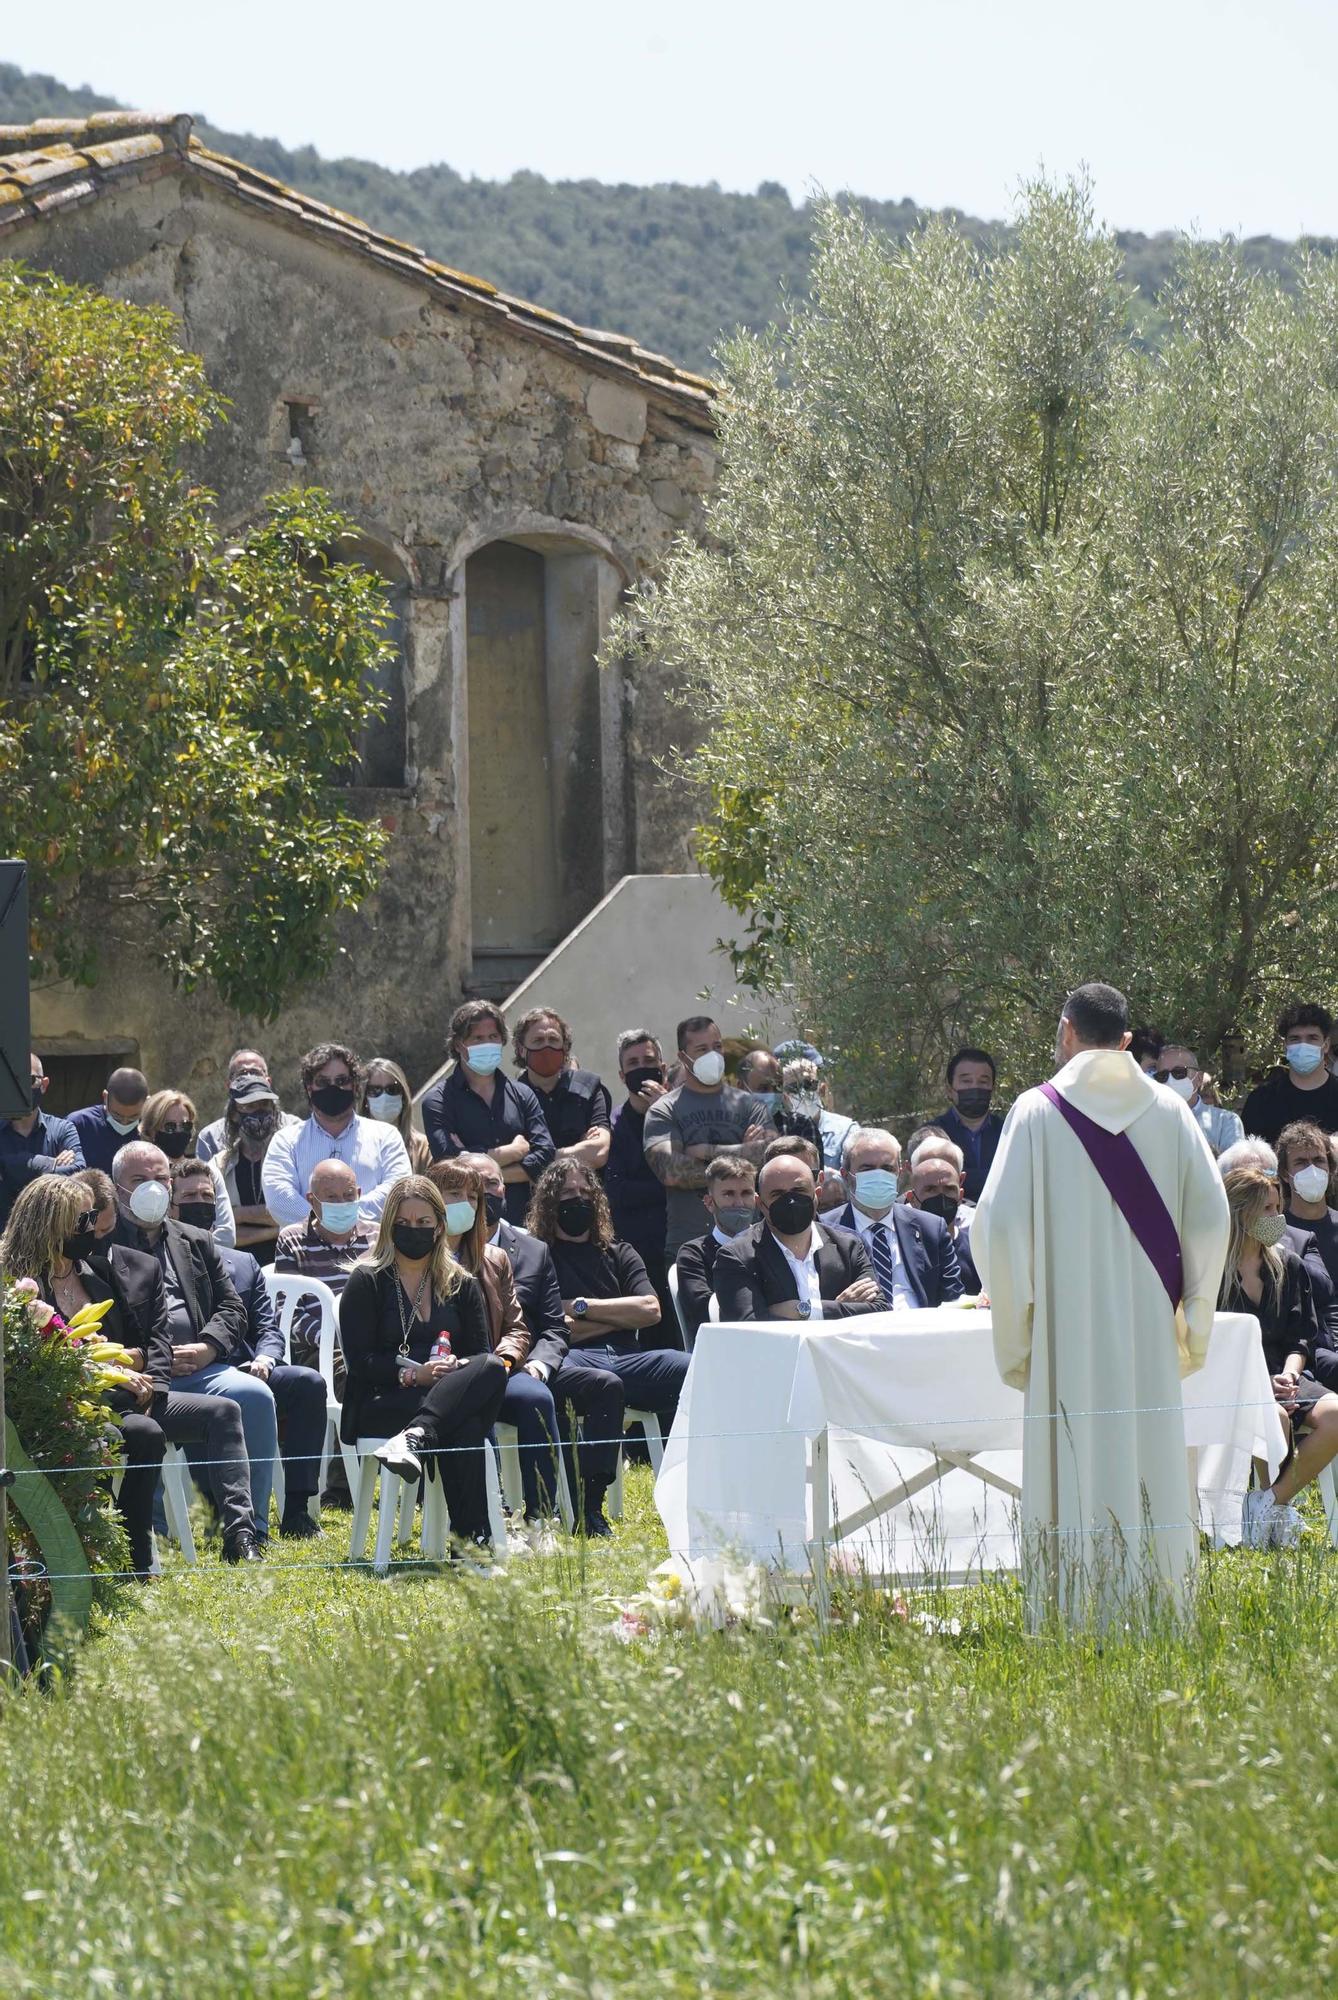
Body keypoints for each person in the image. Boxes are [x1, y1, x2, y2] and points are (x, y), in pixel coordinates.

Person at [973, 981, 1230, 1631]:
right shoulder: (1171, 1113)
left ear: (1065, 1032)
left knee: (1070, 1464)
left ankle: (1071, 1617)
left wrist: (1021, 1318)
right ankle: (1159, 1613)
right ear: (1123, 1042)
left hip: (1066, 1335)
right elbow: (1210, 1218)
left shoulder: (1035, 1111)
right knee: (1150, 1457)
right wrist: (1191, 1317)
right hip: (1147, 1331)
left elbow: (998, 1227)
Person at [3, 1174, 260, 1566]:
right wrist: (110, 1363)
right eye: (82, 1219)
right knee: (139, 1433)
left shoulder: (97, 1275)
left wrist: (126, 1369)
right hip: (59, 1408)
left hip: (120, 1397)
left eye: (92, 1218)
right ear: (50, 1224)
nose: (91, 1229)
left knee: (221, 1411)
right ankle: (126, 1549)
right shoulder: (19, 1285)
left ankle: (240, 1534)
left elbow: (140, 1347)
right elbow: (37, 1359)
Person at [111, 1140, 280, 1541]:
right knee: (141, 1418)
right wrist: (152, 1359)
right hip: (138, 1374)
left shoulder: (195, 1240)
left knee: (255, 1395)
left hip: (200, 1368)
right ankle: (150, 1531)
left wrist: (208, 1348)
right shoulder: (104, 1244)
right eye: (139, 1180)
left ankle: (248, 1527)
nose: (152, 1187)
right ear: (117, 1187)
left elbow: (232, 1309)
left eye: (160, 1179)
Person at [337, 1175, 509, 1558]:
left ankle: (417, 1435)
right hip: (384, 1398)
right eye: (404, 1223)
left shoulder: (462, 1283)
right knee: (462, 1425)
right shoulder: (367, 1281)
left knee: (493, 1367)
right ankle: (472, 1548)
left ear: (439, 1227)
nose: (413, 1231)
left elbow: (480, 1354)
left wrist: (450, 1367)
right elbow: (361, 1363)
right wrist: (413, 1374)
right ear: (388, 1227)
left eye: (423, 1223)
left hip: (440, 1395)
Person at [468, 1150, 625, 1535]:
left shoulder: (533, 1251)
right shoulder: (439, 1251)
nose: (485, 1193)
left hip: (528, 1369)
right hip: (467, 1370)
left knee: (605, 1385)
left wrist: (539, 1364)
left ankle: (585, 1506)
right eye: (473, 1186)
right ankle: (497, 1510)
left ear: (504, 1189)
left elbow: (555, 1328)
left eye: (491, 1183)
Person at [169, 1158, 326, 1539]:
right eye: (190, 1196)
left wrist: (266, 1357)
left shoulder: (243, 1263)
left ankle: (297, 1510)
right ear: (171, 1204)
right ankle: (219, 1512)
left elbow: (267, 1326)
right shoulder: (161, 1261)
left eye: (207, 1195)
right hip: (194, 1377)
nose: (200, 1203)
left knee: (309, 1383)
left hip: (248, 1368)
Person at [428, 1156, 569, 1543]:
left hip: (496, 1371)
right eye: (454, 1194)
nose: (468, 1203)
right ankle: (496, 1513)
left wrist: (504, 1361)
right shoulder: (416, 1260)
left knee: (537, 1398)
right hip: (437, 1378)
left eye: (473, 1196)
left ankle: (542, 1519)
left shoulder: (496, 1259)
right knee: (473, 1407)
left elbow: (517, 1327)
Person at [527, 1158, 688, 1446]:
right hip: (573, 1360)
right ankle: (590, 1487)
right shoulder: (539, 1257)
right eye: (567, 1194)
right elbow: (554, 1330)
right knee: (588, 1381)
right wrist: (619, 1317)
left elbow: (651, 1310)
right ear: (550, 1202)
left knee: (695, 1367)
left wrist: (580, 1307)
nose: (578, 1200)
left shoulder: (621, 1253)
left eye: (585, 1193)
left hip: (629, 1359)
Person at [1220, 1165, 1338, 1547]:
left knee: (1336, 1414)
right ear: (1240, 1212)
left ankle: (1269, 1503)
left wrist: (1289, 1374)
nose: (1277, 1217)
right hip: (1234, 1381)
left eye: (1277, 1206)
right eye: (1267, 1209)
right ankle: (1270, 1518)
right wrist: (1259, 1381)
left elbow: (1301, 1337)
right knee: (1274, 1419)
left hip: (1284, 1376)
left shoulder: (1288, 1264)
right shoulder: (1212, 1274)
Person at [642, 1015, 772, 1256]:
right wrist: (742, 1155)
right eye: (702, 1049)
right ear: (683, 1057)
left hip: (753, 1246)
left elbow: (769, 1156)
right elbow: (671, 1171)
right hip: (691, 1249)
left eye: (717, 1046)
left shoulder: (749, 1105)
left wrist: (705, 1151)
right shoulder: (664, 1110)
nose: (713, 1055)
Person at [421, 1003, 555, 1225]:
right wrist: (515, 1151)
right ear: (458, 1044)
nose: (487, 1044)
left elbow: (545, 1155)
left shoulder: (523, 1094)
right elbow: (448, 1163)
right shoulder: (437, 1101)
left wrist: (477, 1165)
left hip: (522, 1222)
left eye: (493, 1036)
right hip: (465, 1226)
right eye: (477, 1038)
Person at [714, 1153, 885, 1321]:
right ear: (760, 1203)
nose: (790, 1201)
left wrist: (806, 1310)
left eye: (799, 1190)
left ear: (816, 1194)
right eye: (778, 1195)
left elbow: (880, 1309)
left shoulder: (848, 1246)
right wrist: (839, 1309)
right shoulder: (737, 1256)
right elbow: (749, 1324)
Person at [262, 1043, 412, 1231]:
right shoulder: (286, 1141)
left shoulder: (386, 1136)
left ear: (355, 1086)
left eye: (341, 1081)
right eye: (323, 1082)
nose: (333, 1088)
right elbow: (278, 1198)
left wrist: (346, 1219)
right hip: (307, 1252)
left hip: (374, 1252)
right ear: (309, 1088)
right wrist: (321, 1224)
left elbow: (398, 1188)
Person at [825, 1127, 963, 1308]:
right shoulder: (824, 1230)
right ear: (845, 1175)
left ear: (899, 1172)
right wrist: (838, 1306)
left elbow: (954, 1299)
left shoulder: (931, 1228)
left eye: (887, 1168)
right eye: (867, 1169)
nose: (878, 1175)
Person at [605, 1030, 670, 1310]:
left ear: (663, 1069)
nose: (642, 1068)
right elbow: (615, 1189)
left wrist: (664, 1113)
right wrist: (668, 1185)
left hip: (678, 1238)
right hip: (635, 1245)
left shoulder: (682, 1115)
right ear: (622, 1075)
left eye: (648, 1060)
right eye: (632, 1064)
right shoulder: (613, 1124)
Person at [511, 1008, 612, 1170]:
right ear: (521, 1050)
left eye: (553, 1039)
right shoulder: (510, 1097)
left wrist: (533, 1160)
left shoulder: (589, 1087)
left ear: (565, 1048)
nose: (546, 1046)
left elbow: (598, 1153)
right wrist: (579, 1150)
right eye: (538, 1040)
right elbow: (507, 1158)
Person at [674, 1155, 757, 1344]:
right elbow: (703, 1310)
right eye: (728, 1194)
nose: (739, 1203)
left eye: (746, 1193)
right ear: (710, 1202)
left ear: (756, 1198)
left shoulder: (770, 1244)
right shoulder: (694, 1254)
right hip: (722, 1347)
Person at [138, 1090, 237, 1246]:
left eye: (185, 1126)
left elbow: (226, 1236)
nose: (179, 1132)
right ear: (151, 1131)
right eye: (169, 1127)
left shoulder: (208, 1173)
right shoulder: (141, 1177)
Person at [0, 1050, 84, 1230]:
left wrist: (9, 1169)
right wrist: (51, 1165)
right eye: (13, 1081)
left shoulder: (63, 1129)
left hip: (50, 1237)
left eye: (29, 1081)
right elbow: (65, 1177)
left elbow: (77, 1174)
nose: (20, 1088)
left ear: (44, 1084)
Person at [1239, 1003, 1338, 1146]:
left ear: (1326, 1044)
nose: (1303, 1045)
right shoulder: (1261, 1099)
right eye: (1295, 1039)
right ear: (1285, 1047)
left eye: (1312, 1038)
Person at [214, 1076, 288, 1263]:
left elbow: (295, 1213)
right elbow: (222, 1230)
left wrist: (237, 1213)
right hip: (238, 1266)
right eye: (250, 1106)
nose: (259, 1112)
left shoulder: (288, 1158)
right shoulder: (220, 1164)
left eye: (265, 1104)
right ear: (234, 1113)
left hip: (286, 1261)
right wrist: (278, 1229)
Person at [903, 1136, 980, 1293]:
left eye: (949, 1189)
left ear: (960, 1195)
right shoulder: (900, 1248)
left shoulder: (977, 1246)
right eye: (930, 1189)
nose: (941, 1196)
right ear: (912, 1198)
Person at [197, 1050, 299, 1161]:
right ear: (229, 1085)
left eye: (255, 1073)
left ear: (268, 1081)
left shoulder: (293, 1128)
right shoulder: (211, 1137)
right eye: (242, 1074)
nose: (249, 1078)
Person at [937, 1048, 1004, 1204]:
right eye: (966, 1081)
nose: (975, 1087)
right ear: (949, 1089)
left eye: (983, 1081)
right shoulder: (933, 1134)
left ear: (992, 1088)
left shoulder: (1010, 1131)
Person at [1153, 1043, 1244, 1157]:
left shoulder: (1226, 1122)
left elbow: (1233, 1172)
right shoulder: (1147, 1122)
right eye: (1162, 1075)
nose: (1170, 1079)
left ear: (1199, 1078)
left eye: (1179, 1072)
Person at [1279, 1120, 1338, 1292]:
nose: (1311, 1169)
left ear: (1331, 1168)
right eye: (1301, 1162)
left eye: (1319, 1160)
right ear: (1284, 1173)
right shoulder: (1278, 1231)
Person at [778, 1056, 856, 1179]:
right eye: (794, 1088)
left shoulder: (847, 1131)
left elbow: (855, 1179)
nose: (802, 1093)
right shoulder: (777, 1133)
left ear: (822, 1089)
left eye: (808, 1084)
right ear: (785, 1097)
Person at [69, 1066, 149, 1175]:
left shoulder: (152, 1127)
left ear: (147, 1103)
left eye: (133, 1117)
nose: (124, 1123)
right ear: (105, 1096)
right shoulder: (79, 1124)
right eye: (117, 1116)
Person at [361, 1056, 431, 1173]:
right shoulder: (353, 1146)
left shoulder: (423, 1148)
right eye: (375, 1090)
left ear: (403, 1096)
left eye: (392, 1089)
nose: (384, 1097)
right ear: (365, 1099)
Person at [737, 1048, 784, 1127]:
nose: (772, 1094)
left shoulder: (799, 1126)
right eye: (763, 1088)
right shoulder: (726, 1127)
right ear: (741, 1088)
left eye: (777, 1088)